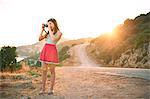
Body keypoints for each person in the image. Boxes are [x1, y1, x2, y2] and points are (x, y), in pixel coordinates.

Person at [38, 18, 62, 95]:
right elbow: (39, 39)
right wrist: (42, 30)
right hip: (45, 50)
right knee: (44, 71)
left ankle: (51, 90)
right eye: (48, 24)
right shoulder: (48, 32)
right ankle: (43, 89)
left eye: (50, 23)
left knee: (52, 71)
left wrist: (49, 29)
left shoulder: (59, 32)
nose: (49, 25)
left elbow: (53, 39)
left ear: (55, 24)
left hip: (52, 51)